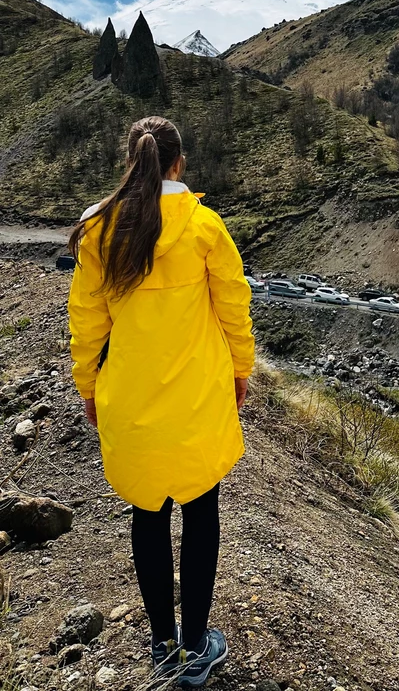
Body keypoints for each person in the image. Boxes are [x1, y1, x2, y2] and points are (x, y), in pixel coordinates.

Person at [67, 116, 254, 688]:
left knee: (146, 514)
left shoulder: (100, 229)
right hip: (197, 398)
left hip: (130, 399)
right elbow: (234, 307)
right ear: (180, 163)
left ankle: (163, 644)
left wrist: (88, 388)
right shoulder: (204, 227)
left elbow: (87, 323)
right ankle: (197, 649)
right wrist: (242, 372)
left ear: (133, 162)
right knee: (202, 512)